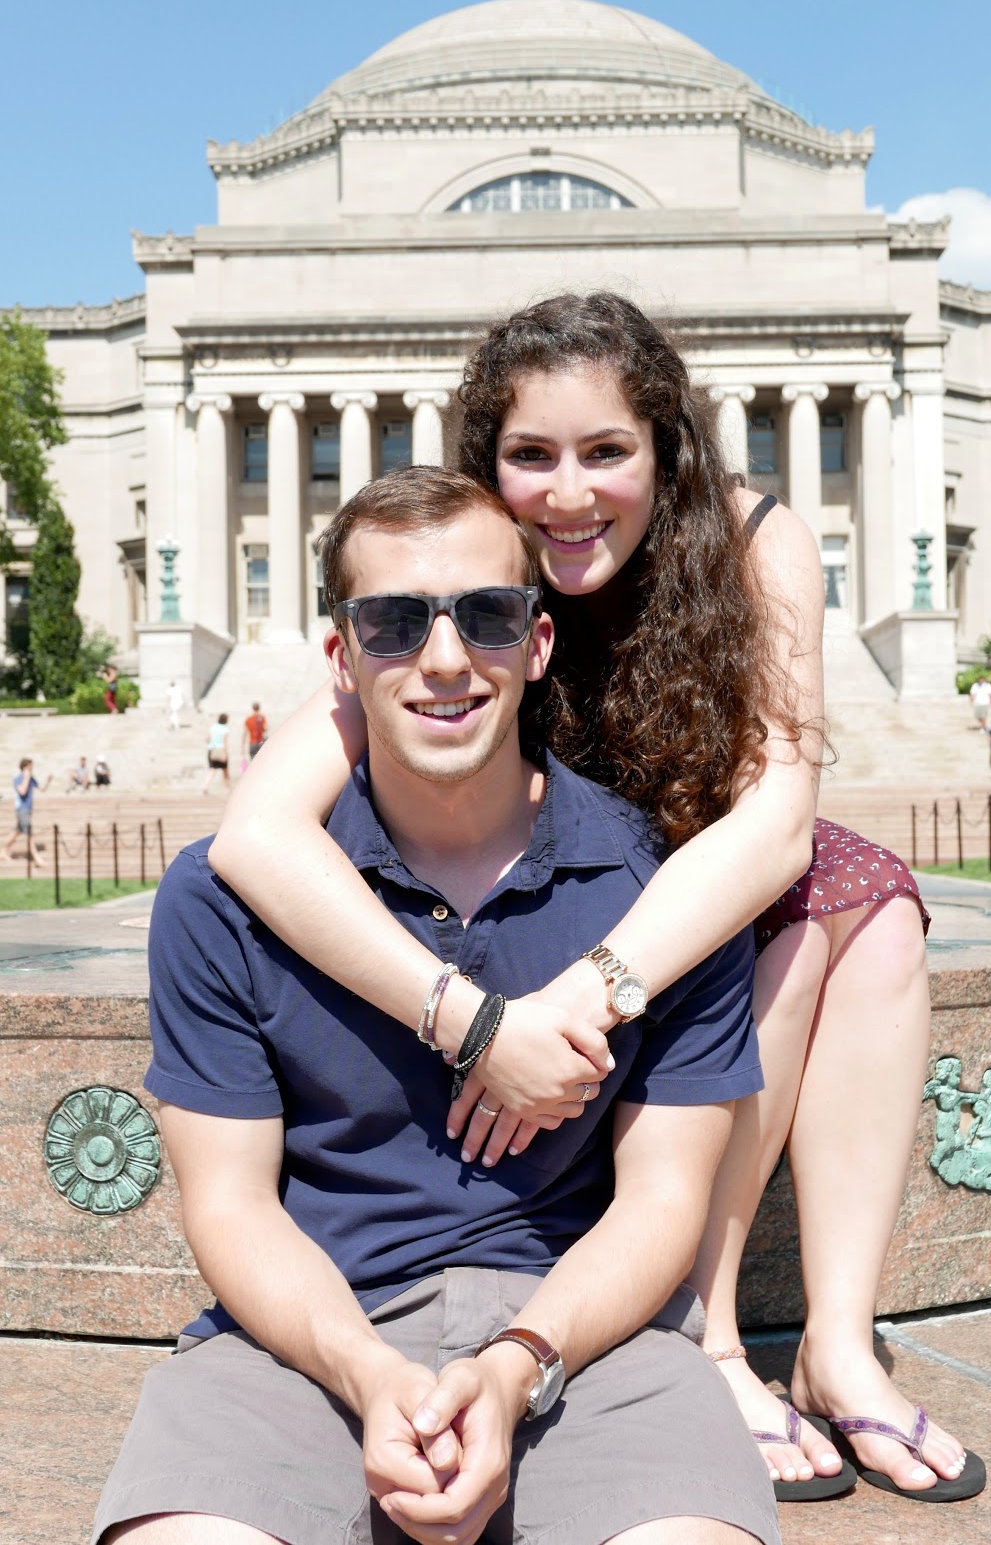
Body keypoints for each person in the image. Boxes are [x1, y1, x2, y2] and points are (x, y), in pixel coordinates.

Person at [209, 292, 983, 1502]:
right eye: (531, 455)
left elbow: (774, 823)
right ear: (489, 461)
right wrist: (475, 1021)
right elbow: (255, 833)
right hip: (547, 875)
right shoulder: (467, 576)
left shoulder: (753, 541)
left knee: (868, 912)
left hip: (692, 877)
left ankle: (836, 1343)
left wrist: (589, 992)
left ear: (663, 449)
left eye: (604, 451)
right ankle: (706, 1332)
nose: (567, 495)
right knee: (780, 950)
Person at [92, 471, 776, 1545]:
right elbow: (229, 1206)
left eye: (487, 614)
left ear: (538, 644)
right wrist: (366, 1370)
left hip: (585, 1341)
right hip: (306, 1339)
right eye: (394, 622)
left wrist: (515, 1365)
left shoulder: (668, 894)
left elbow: (660, 1204)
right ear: (342, 656)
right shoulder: (217, 901)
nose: (446, 658)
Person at [2, 757, 50, 866]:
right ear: (24, 767)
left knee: (16, 832)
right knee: (30, 834)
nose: (31, 768)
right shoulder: (18, 778)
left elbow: (43, 789)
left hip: (28, 809)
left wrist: (48, 780)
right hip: (21, 810)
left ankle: (3, 851)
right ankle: (37, 858)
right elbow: (22, 791)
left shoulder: (31, 778)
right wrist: (27, 777)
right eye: (30, 766)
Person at [202, 713, 230, 793]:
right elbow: (225, 742)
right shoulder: (225, 729)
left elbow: (207, 739)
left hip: (212, 750)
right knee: (225, 771)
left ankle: (205, 786)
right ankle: (228, 789)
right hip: (220, 750)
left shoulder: (213, 727)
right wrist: (225, 754)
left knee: (212, 770)